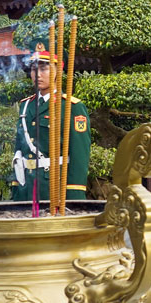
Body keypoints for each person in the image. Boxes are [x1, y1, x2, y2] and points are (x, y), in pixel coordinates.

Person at [10, 48, 91, 204]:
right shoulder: (26, 106)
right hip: (27, 188)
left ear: (57, 71)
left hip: (54, 188)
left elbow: (79, 155)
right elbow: (19, 149)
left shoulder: (71, 107)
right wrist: (16, 187)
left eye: (44, 68)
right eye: (34, 69)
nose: (37, 74)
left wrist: (74, 196)